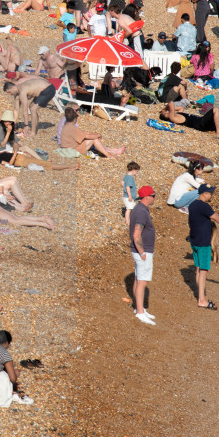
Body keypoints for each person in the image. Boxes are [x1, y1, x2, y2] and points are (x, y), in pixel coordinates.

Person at [130, 184, 157, 326]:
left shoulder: (139, 209)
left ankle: (139, 308)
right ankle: (140, 312)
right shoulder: (141, 212)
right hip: (143, 251)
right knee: (142, 282)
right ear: (146, 197)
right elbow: (136, 234)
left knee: (138, 279)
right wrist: (142, 252)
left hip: (140, 251)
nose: (154, 197)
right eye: (153, 195)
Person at [59, 107, 127, 157]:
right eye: (77, 115)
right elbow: (87, 136)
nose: (78, 116)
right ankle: (109, 155)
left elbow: (84, 133)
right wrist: (97, 136)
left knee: (93, 139)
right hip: (73, 150)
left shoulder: (67, 125)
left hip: (68, 148)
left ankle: (114, 150)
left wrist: (97, 134)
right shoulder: (72, 128)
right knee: (94, 139)